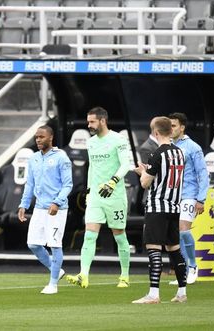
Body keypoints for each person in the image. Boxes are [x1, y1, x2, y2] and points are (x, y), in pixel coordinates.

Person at [66, 107, 131, 289]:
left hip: (115, 195)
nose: (89, 125)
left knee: (119, 236)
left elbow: (126, 164)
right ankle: (83, 275)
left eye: (92, 122)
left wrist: (113, 182)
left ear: (103, 121)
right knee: (89, 236)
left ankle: (124, 276)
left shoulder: (118, 139)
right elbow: (92, 168)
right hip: (96, 196)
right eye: (88, 122)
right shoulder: (91, 142)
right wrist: (88, 192)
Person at [133, 116, 187, 304]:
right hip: (174, 206)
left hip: (157, 206)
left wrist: (142, 172)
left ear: (156, 133)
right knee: (174, 249)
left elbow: (145, 182)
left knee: (153, 248)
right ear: (170, 131)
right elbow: (168, 174)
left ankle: (153, 294)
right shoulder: (180, 152)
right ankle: (182, 292)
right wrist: (150, 169)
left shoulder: (157, 154)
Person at [18, 125, 73, 295]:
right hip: (40, 208)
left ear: (51, 138)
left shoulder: (61, 158)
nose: (38, 140)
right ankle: (56, 269)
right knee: (33, 244)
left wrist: (57, 202)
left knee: (55, 244)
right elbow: (30, 184)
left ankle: (53, 284)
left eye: (41, 137)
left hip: (57, 209)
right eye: (36, 137)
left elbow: (68, 184)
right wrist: (24, 204)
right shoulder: (33, 158)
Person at [168, 113, 209, 285]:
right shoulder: (168, 146)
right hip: (172, 196)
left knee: (184, 230)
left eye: (174, 126)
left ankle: (193, 266)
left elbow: (203, 173)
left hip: (189, 195)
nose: (171, 129)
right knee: (175, 235)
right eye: (169, 126)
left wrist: (201, 199)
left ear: (182, 127)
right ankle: (183, 270)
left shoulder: (193, 147)